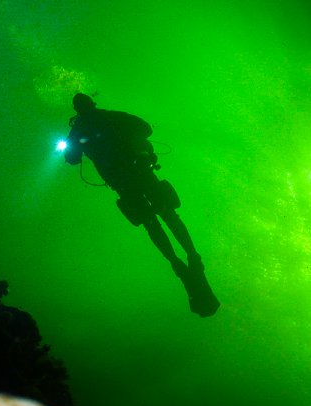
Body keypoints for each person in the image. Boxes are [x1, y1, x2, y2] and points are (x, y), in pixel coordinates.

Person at [63, 94, 218, 316]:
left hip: (121, 181)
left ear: (77, 109)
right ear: (92, 103)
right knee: (169, 214)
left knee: (150, 223)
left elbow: (72, 159)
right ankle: (192, 254)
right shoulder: (112, 117)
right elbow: (145, 128)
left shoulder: (78, 131)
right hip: (140, 170)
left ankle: (176, 260)